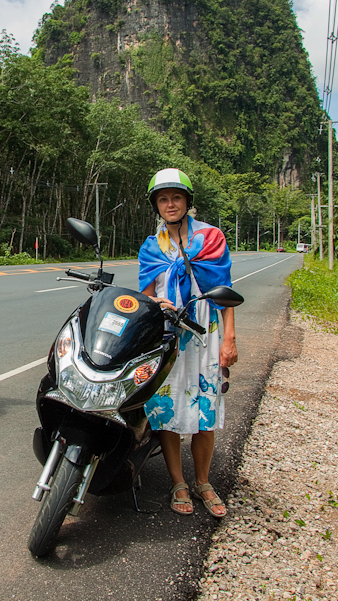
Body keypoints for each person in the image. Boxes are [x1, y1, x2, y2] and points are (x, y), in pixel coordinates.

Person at [138, 168, 238, 518]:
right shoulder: (152, 246)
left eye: (176, 197)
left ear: (187, 201)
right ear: (156, 205)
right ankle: (178, 481)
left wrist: (229, 338)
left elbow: (225, 291)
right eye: (163, 199)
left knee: (205, 412)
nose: (170, 204)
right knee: (166, 410)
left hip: (206, 334)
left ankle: (203, 481)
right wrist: (157, 304)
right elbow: (146, 295)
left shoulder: (211, 237)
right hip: (167, 335)